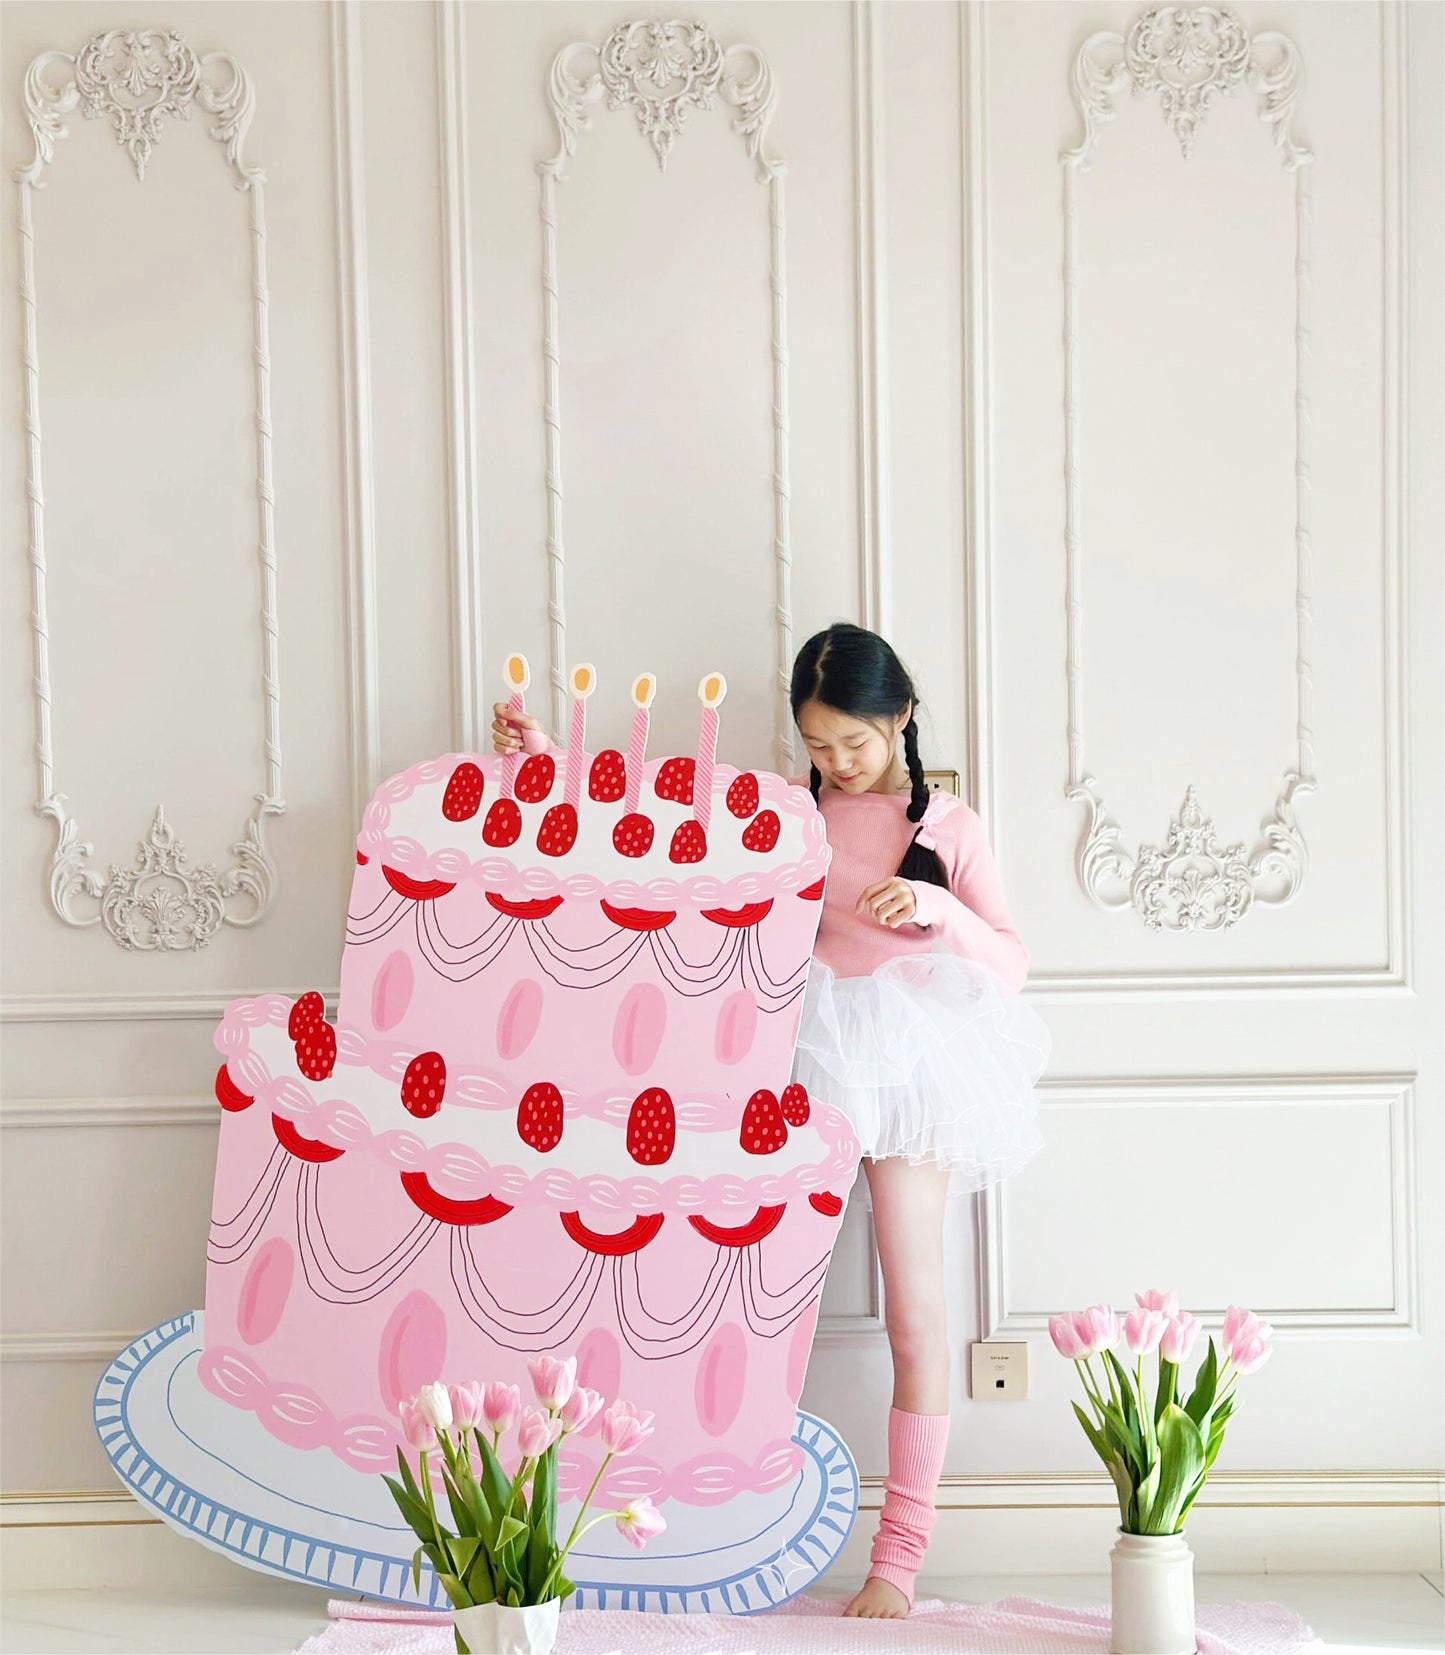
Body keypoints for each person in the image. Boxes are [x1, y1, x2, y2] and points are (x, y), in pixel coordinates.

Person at [492, 622, 1048, 1618]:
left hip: (911, 1064)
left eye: (856, 742)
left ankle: (899, 1558)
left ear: (900, 714)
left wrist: (937, 917)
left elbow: (1008, 961)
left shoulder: (948, 823)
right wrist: (548, 765)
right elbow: (658, 823)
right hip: (791, 1060)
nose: (837, 761)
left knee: (918, 1313)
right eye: (820, 743)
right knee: (740, 1301)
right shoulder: (781, 811)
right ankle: (704, 1528)